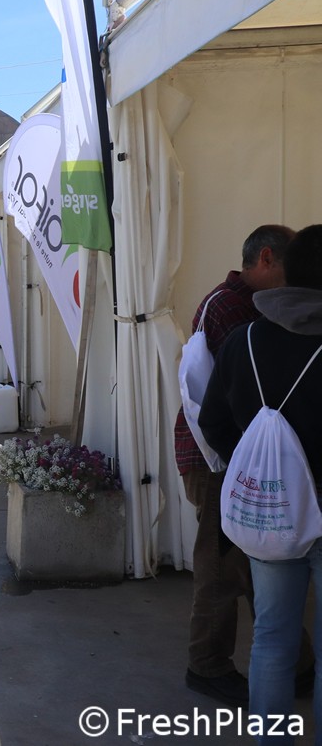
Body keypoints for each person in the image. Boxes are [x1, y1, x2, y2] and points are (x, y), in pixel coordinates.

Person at [200, 224, 322, 725]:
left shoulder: (243, 339)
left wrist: (256, 465)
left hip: (271, 510)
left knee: (271, 636)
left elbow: (211, 421)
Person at [177, 224, 303, 706]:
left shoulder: (242, 304)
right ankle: (207, 665)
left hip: (238, 455)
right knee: (222, 565)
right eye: (293, 268)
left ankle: (298, 664)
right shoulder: (232, 309)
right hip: (221, 457)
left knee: (257, 562)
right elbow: (242, 395)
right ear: (267, 259)